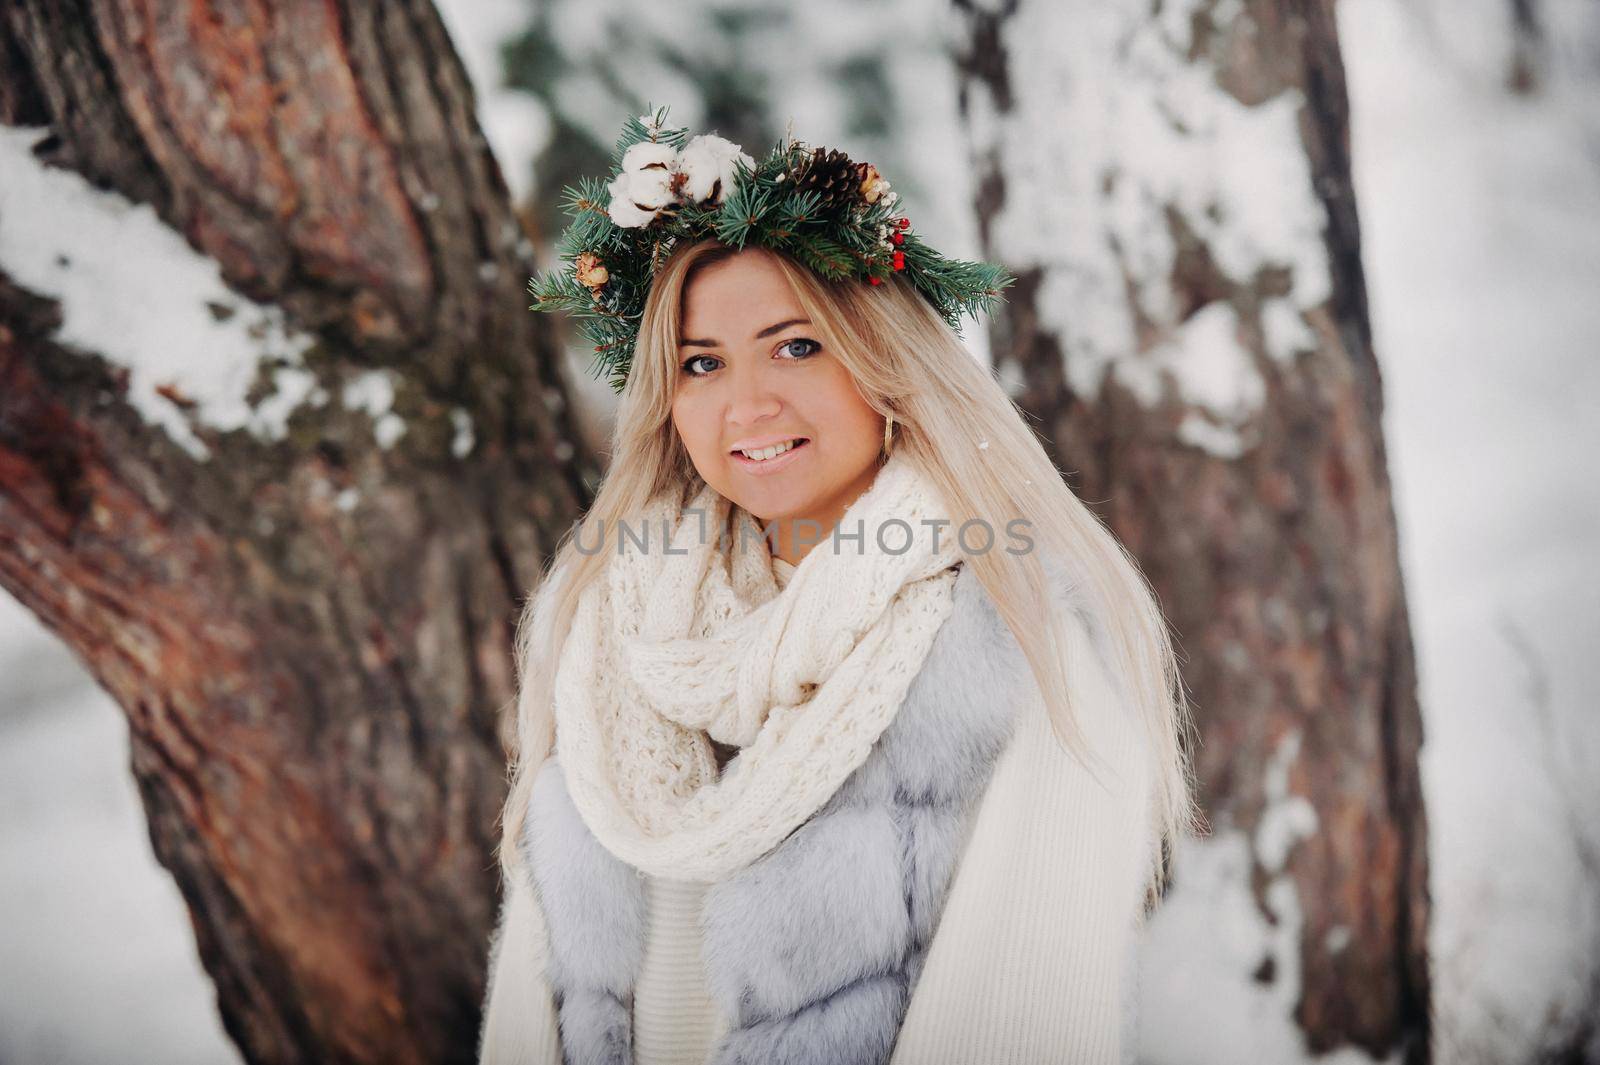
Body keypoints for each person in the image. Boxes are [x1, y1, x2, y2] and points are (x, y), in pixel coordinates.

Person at [476, 107, 1200, 1065]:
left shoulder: (1016, 643)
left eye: (797, 344)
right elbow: (531, 1009)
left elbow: (1022, 1025)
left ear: (884, 367)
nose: (749, 402)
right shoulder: (612, 627)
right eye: (701, 362)